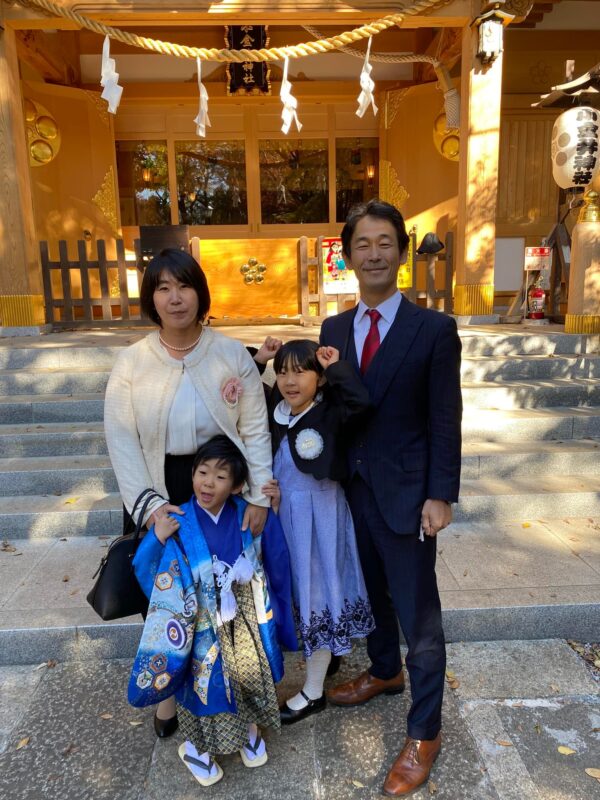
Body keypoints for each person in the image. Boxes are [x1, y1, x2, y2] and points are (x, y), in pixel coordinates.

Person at [320, 200, 462, 797]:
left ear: (400, 253)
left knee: (418, 615)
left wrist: (441, 494)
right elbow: (321, 403)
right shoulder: (332, 329)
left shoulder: (433, 328)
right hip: (352, 487)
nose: (373, 253)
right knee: (370, 591)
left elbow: (444, 417)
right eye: (362, 244)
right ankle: (384, 670)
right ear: (347, 255)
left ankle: (424, 730)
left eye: (384, 243)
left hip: (408, 494)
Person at [104, 248, 273, 739]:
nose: (175, 298)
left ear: (200, 292)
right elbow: (121, 439)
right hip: (161, 487)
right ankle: (167, 697)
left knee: (220, 595)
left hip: (219, 485)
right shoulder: (132, 362)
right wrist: (151, 506)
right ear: (151, 298)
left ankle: (221, 688)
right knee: (167, 600)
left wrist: (259, 496)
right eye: (163, 288)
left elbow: (256, 430)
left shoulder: (227, 354)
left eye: (184, 286)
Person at [129, 436, 296, 787]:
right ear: (192, 475)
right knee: (202, 686)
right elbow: (150, 572)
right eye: (202, 472)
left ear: (237, 485)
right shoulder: (179, 518)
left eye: (220, 477)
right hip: (199, 623)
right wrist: (157, 537)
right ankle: (195, 748)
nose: (208, 482)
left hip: (243, 617)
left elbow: (272, 552)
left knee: (247, 674)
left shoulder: (244, 511)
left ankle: (248, 730)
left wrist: (272, 513)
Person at [261, 339, 376, 724]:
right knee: (302, 590)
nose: (290, 381)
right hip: (287, 517)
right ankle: (325, 659)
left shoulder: (329, 412)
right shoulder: (275, 412)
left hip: (321, 515)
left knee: (319, 592)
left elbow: (362, 403)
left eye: (300, 371)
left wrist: (336, 367)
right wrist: (259, 361)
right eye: (282, 372)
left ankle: (313, 691)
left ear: (320, 378)